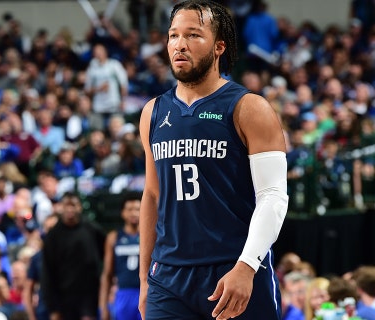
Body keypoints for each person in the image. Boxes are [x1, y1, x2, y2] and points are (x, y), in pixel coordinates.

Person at [138, 1, 289, 319]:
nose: (180, 45)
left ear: (219, 46)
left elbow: (273, 196)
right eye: (173, 35)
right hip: (168, 278)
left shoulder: (249, 108)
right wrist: (143, 278)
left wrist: (247, 267)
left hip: (232, 268)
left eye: (193, 35)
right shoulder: (153, 112)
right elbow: (152, 196)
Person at [42, 192, 105, 320]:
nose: (70, 209)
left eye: (74, 205)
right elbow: (47, 272)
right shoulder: (53, 236)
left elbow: (105, 258)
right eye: (66, 205)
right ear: (60, 207)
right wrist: (53, 307)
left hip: (89, 295)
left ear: (80, 207)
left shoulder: (93, 230)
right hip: (62, 297)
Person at [99, 192, 141, 320]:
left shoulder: (151, 237)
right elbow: (107, 274)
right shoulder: (114, 238)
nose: (133, 213)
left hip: (146, 292)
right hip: (123, 293)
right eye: (129, 209)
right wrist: (103, 306)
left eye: (137, 209)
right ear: (122, 213)